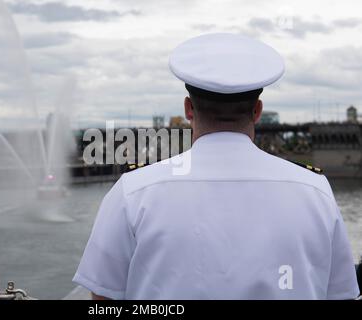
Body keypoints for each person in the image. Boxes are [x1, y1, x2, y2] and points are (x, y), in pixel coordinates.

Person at [73, 33, 360, 299]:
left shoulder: (132, 192)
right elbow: (340, 293)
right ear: (257, 111)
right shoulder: (315, 192)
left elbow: (103, 297)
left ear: (188, 109)